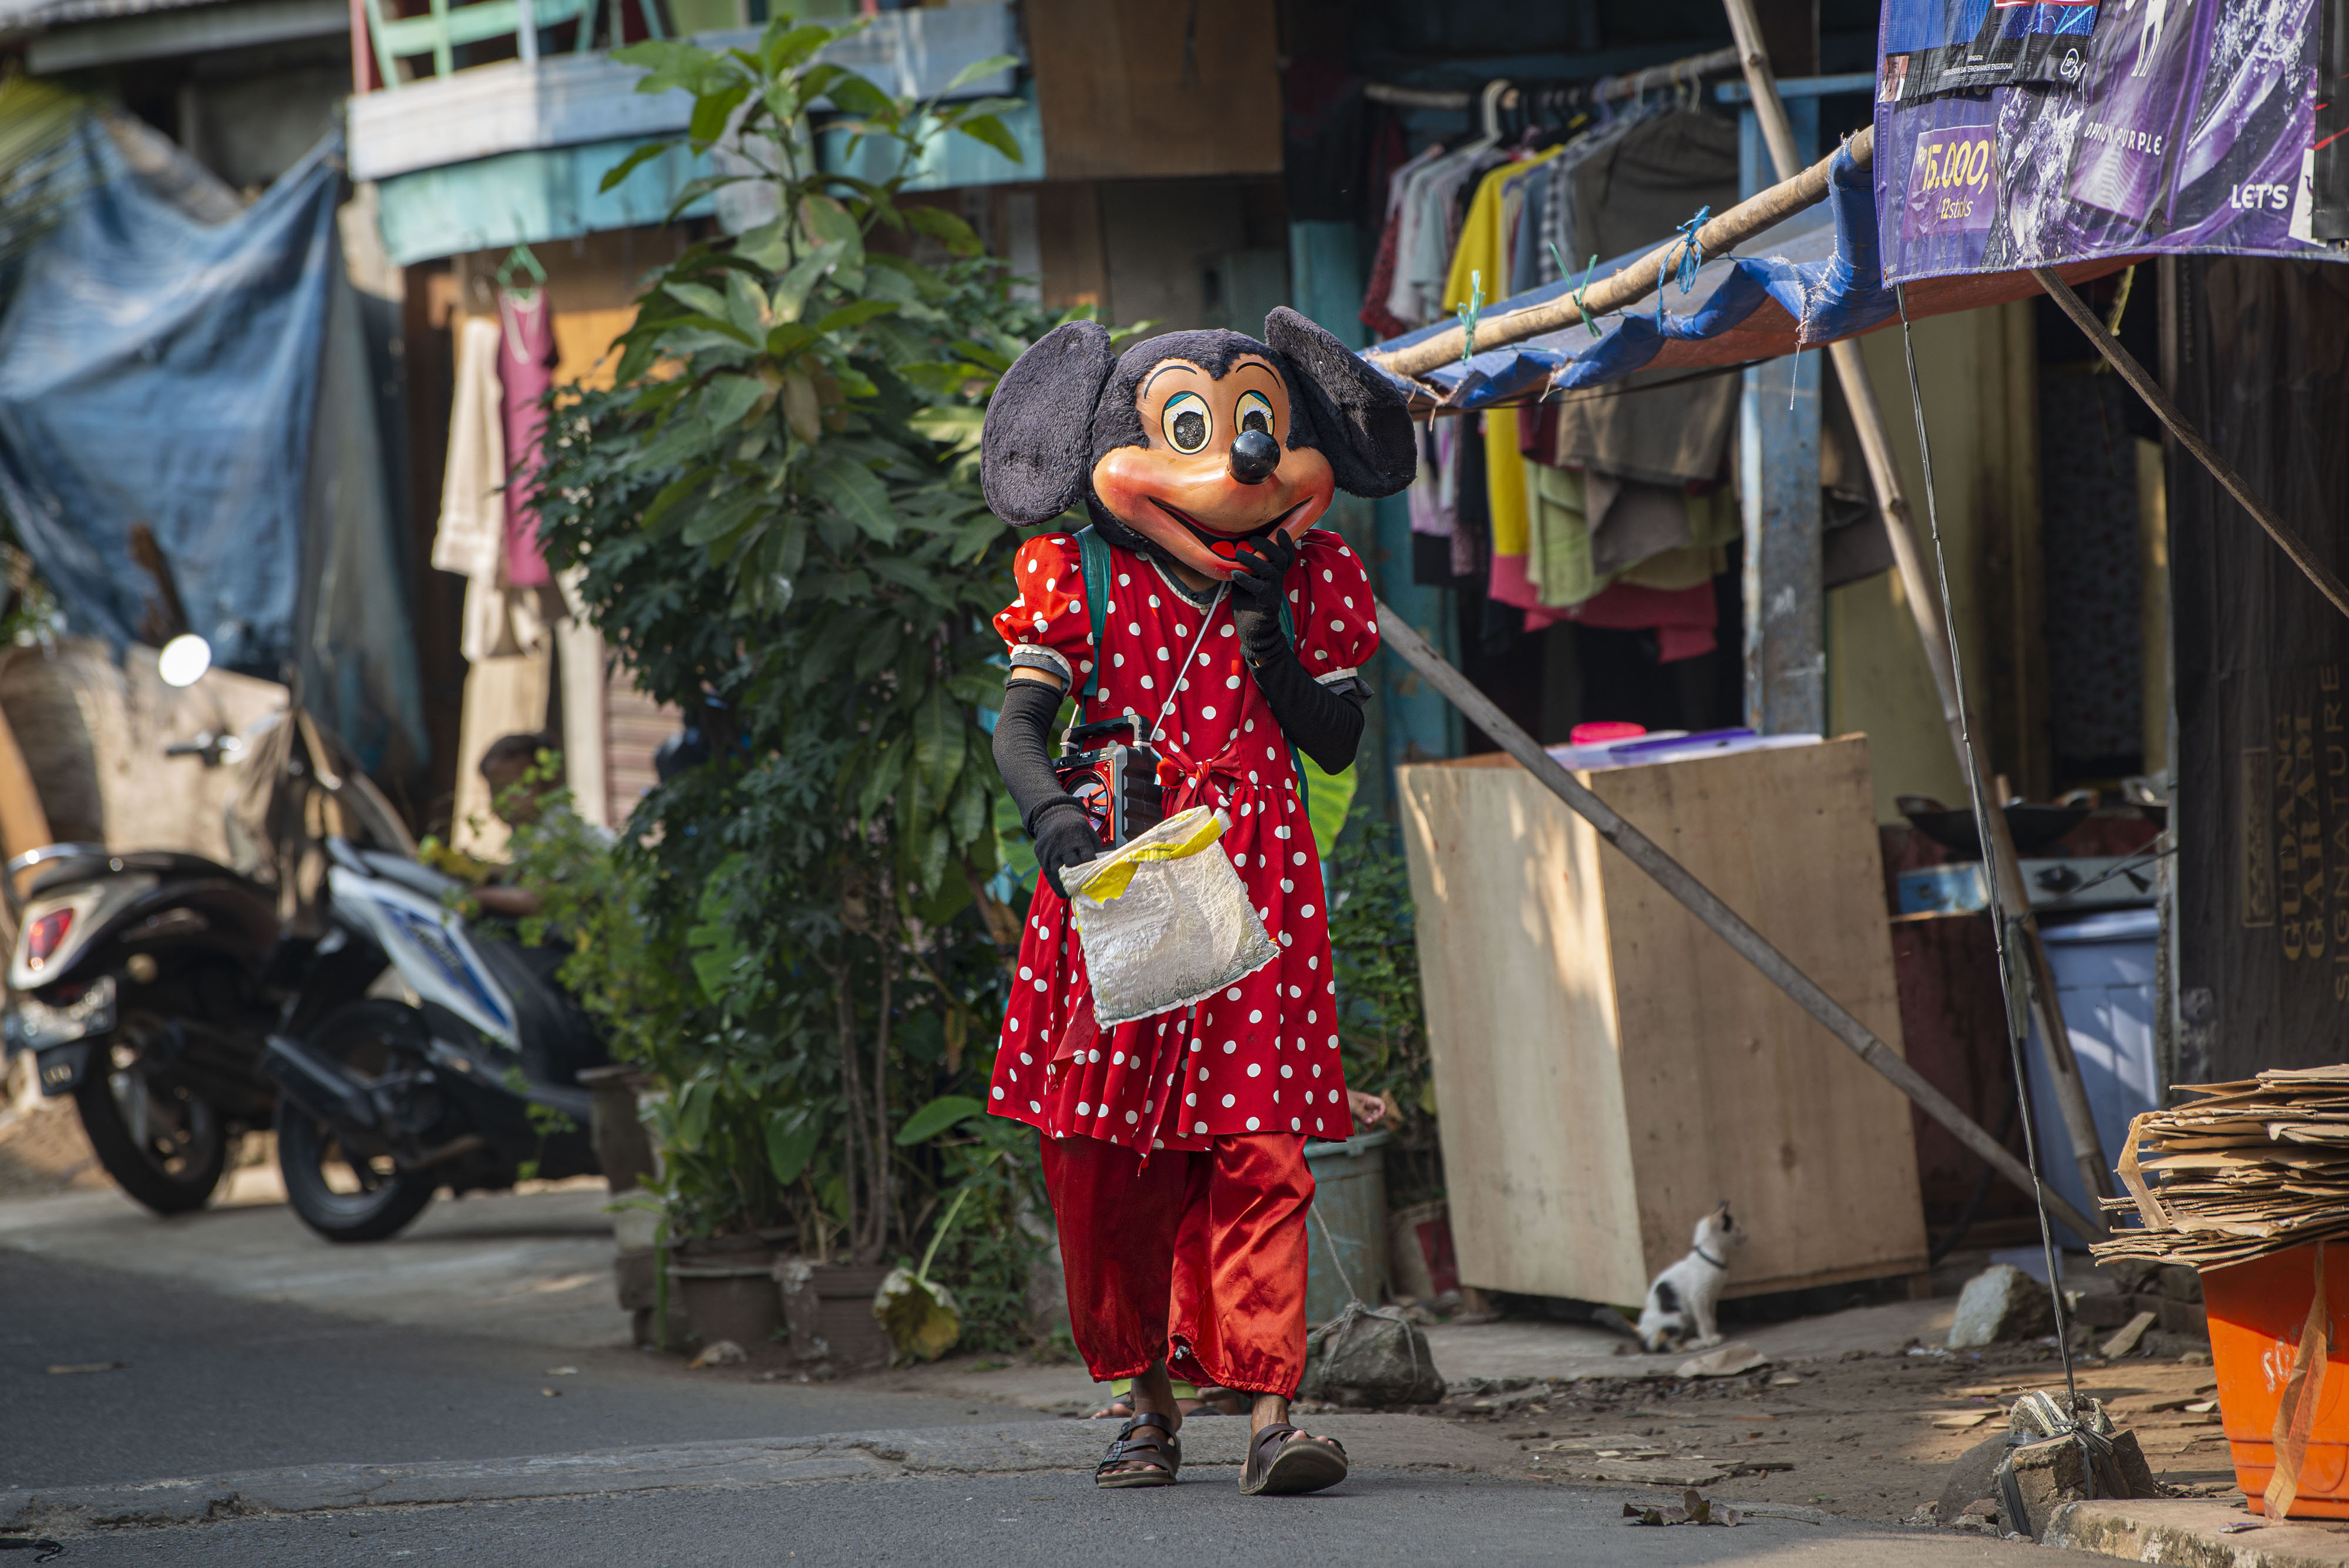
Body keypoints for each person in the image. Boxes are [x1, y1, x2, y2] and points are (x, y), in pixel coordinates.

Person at [978, 309, 1415, 1495]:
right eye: (1190, 428)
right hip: (1118, 882)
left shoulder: (1315, 578)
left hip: (1257, 892)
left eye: (1257, 425)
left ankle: (1276, 1413)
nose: (1240, 461)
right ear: (1113, 446)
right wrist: (1058, 826)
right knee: (1101, 1160)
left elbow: (1330, 744)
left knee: (1259, 1149)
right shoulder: (1073, 576)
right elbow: (1021, 731)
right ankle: (1141, 1404)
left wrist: (1271, 641)